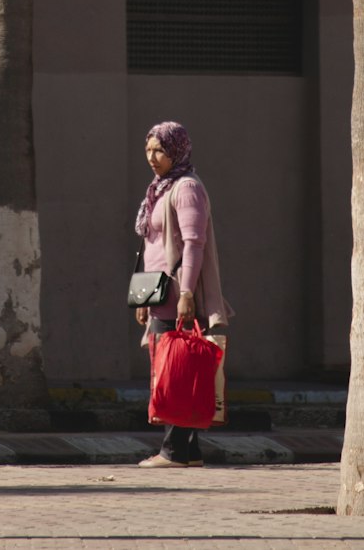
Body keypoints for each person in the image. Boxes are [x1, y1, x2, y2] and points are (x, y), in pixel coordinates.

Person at [134, 120, 232, 468]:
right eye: (148, 149)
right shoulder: (159, 188)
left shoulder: (187, 188)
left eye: (159, 149)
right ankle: (189, 451)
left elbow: (194, 244)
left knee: (175, 369)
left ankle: (172, 451)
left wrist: (188, 293)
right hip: (160, 293)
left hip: (181, 293)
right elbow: (153, 246)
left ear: (177, 150)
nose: (152, 157)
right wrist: (144, 296)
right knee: (178, 366)